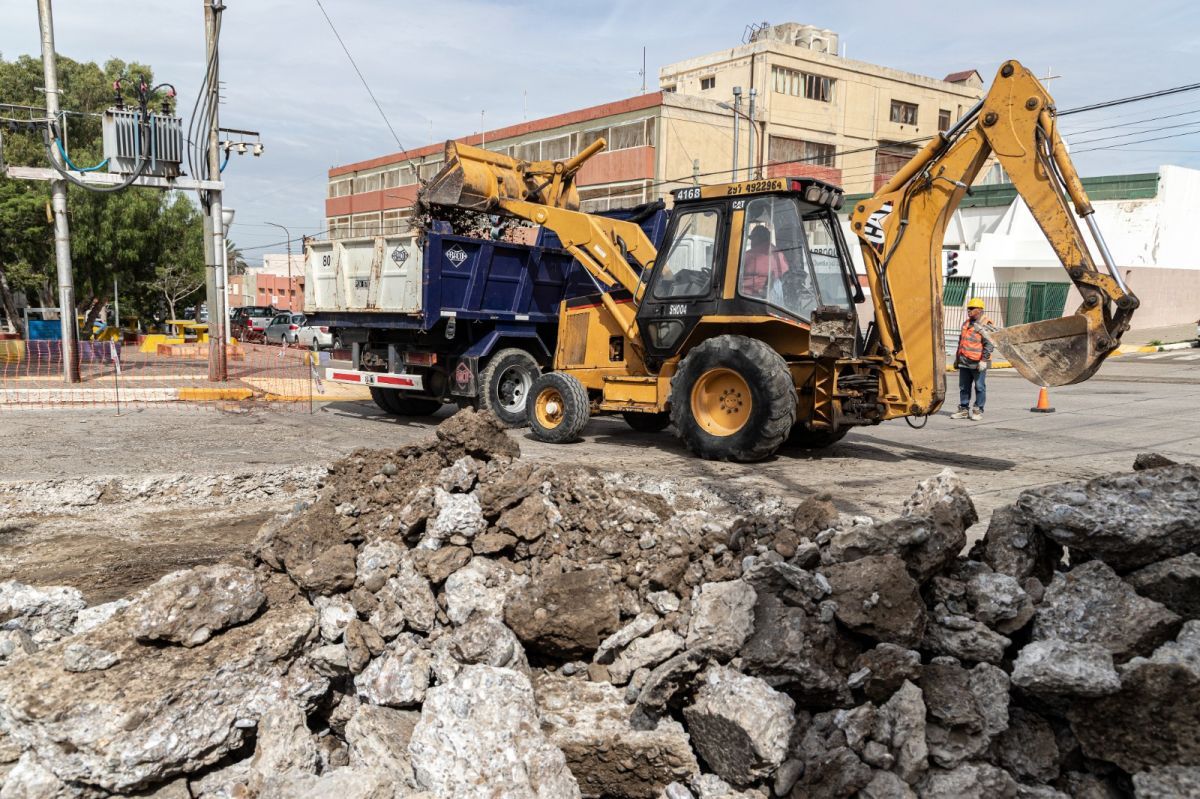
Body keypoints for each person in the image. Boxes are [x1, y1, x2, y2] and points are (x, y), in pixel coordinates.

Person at [952, 297, 994, 421]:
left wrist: (984, 360)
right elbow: (961, 342)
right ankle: (964, 409)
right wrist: (957, 359)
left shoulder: (986, 324)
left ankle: (978, 410)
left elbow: (989, 343)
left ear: (980, 310)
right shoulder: (966, 323)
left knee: (979, 387)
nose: (969, 311)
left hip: (978, 362)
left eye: (971, 309)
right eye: (968, 309)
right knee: (964, 387)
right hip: (964, 361)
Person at [740, 225, 788, 300]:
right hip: (774, 299)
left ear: (759, 238)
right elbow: (785, 273)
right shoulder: (778, 254)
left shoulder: (748, 255)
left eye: (753, 238)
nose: (751, 242)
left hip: (750, 297)